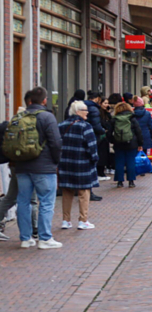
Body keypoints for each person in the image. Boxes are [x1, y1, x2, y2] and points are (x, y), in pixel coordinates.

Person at [7, 87, 63, 249]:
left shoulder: (19, 116)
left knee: (23, 201)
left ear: (29, 101)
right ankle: (45, 238)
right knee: (46, 201)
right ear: (44, 100)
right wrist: (56, 162)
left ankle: (25, 238)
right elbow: (56, 142)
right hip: (44, 167)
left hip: (22, 166)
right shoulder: (47, 117)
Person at [57, 101, 99, 230]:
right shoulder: (85, 126)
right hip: (82, 164)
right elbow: (92, 146)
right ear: (77, 111)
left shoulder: (61, 125)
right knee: (84, 192)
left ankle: (66, 220)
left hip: (65, 163)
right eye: (84, 110)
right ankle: (83, 220)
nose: (87, 112)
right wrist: (95, 159)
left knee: (67, 192)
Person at [111, 102, 143, 188]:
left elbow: (109, 132)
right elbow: (138, 132)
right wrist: (140, 143)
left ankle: (119, 181)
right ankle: (131, 181)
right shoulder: (132, 118)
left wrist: (113, 141)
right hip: (131, 143)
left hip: (118, 143)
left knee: (119, 162)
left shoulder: (114, 119)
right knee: (130, 162)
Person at [132, 97, 152, 172]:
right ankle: (143, 169)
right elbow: (151, 126)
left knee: (134, 153)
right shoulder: (147, 113)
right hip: (145, 135)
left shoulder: (132, 114)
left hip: (134, 135)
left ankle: (135, 168)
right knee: (143, 153)